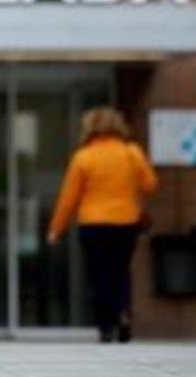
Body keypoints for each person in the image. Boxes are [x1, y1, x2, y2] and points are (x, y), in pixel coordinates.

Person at [46, 106, 158, 343]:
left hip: (93, 224)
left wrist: (56, 229)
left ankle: (105, 326)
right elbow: (150, 184)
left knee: (100, 274)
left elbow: (69, 198)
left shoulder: (84, 157)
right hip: (126, 222)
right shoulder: (131, 153)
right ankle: (124, 314)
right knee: (121, 271)